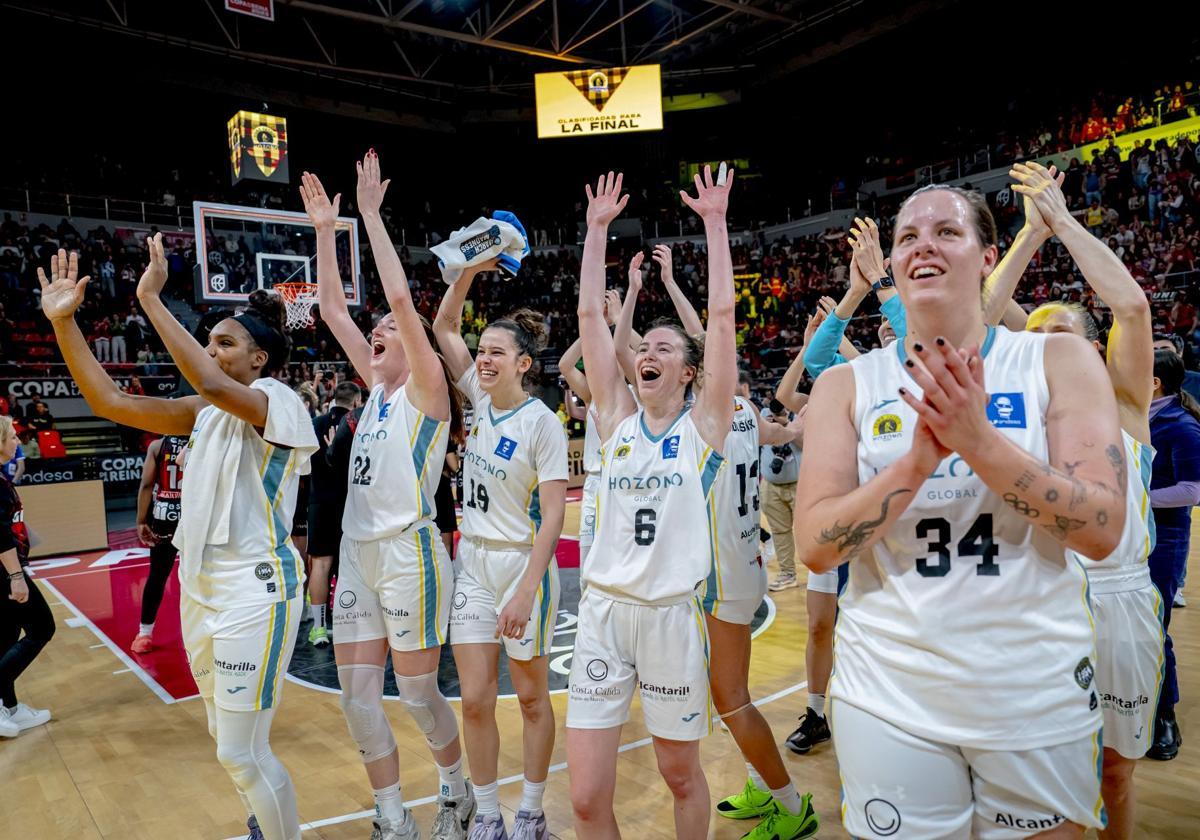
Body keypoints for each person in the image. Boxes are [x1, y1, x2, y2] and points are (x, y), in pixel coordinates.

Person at [794, 183, 1128, 839]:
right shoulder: (844, 385)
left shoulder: (1060, 359)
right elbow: (816, 546)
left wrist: (978, 442)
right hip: (888, 694)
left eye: (946, 232)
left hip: (1034, 690)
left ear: (987, 255)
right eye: (907, 238)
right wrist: (916, 462)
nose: (923, 246)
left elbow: (1102, 529)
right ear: (891, 264)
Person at [40, 241, 317, 840]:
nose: (212, 351)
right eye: (209, 340)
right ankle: (265, 822)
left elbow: (214, 384)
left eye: (225, 343)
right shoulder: (205, 411)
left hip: (256, 592)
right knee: (227, 742)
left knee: (241, 754)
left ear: (259, 359)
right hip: (200, 587)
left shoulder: (281, 403)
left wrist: (149, 299)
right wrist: (65, 324)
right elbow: (108, 401)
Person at [611, 252, 816, 838]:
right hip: (735, 560)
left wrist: (652, 290)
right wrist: (671, 284)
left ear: (697, 373)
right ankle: (762, 781)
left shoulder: (713, 414)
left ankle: (791, 803)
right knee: (721, 695)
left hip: (723, 572)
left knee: (730, 698)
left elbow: (687, 341)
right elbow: (698, 341)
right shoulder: (747, 410)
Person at [300, 157, 474, 840]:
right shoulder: (373, 393)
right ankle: (393, 816)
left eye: (387, 336)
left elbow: (401, 305)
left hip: (410, 554)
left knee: (421, 690)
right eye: (371, 338)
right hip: (359, 555)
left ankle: (456, 790)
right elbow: (334, 308)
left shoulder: (425, 393)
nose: (375, 335)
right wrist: (325, 229)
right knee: (359, 700)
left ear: (417, 348)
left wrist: (369, 216)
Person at [986, 162, 1161, 839]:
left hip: (1117, 597)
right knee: (1045, 780)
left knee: (1116, 771)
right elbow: (978, 318)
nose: (1045, 352)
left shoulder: (1124, 401)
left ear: (1094, 351)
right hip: (1040, 593)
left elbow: (1135, 307)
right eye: (1035, 341)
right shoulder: (1023, 406)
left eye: (1062, 339)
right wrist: (1027, 241)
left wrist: (1063, 224)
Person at [567, 167, 735, 839]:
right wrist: (596, 231)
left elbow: (720, 318)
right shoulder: (615, 417)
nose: (648, 351)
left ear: (689, 371)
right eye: (645, 346)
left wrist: (716, 225)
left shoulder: (704, 429)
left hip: (669, 617)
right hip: (604, 614)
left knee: (681, 777)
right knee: (583, 799)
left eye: (665, 347)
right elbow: (587, 317)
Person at [434, 244, 567, 840]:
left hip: (521, 570)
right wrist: (466, 273)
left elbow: (556, 516)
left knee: (533, 699)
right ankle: (487, 810)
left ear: (524, 364)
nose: (483, 360)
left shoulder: (542, 422)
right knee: (475, 700)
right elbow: (442, 325)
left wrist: (526, 591)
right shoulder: (481, 401)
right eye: (481, 351)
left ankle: (532, 809)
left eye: (496, 352)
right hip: (475, 566)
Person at [1145, 349, 1200, 762]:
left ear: (1155, 383)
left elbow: (1193, 490)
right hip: (1126, 533)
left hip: (1164, 537)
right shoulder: (1129, 415)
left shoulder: (1181, 426)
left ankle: (1165, 715)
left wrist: (1136, 497)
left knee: (1154, 625)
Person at [0, 416, 54, 738]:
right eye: (12, 436)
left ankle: (11, 706)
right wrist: (16, 576)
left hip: (7, 570)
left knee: (6, 637)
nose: (18, 441)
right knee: (42, 627)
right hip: (5, 574)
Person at [306, 381, 362, 648]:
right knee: (350, 567)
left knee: (320, 564)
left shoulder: (314, 424)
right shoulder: (359, 423)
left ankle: (318, 628)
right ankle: (348, 623)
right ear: (355, 402)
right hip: (350, 502)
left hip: (319, 501)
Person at [131, 434, 188, 653]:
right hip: (193, 517)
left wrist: (141, 520)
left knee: (157, 575)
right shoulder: (202, 439)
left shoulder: (157, 446)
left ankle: (144, 634)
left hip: (164, 516)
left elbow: (146, 484)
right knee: (197, 576)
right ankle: (203, 630)